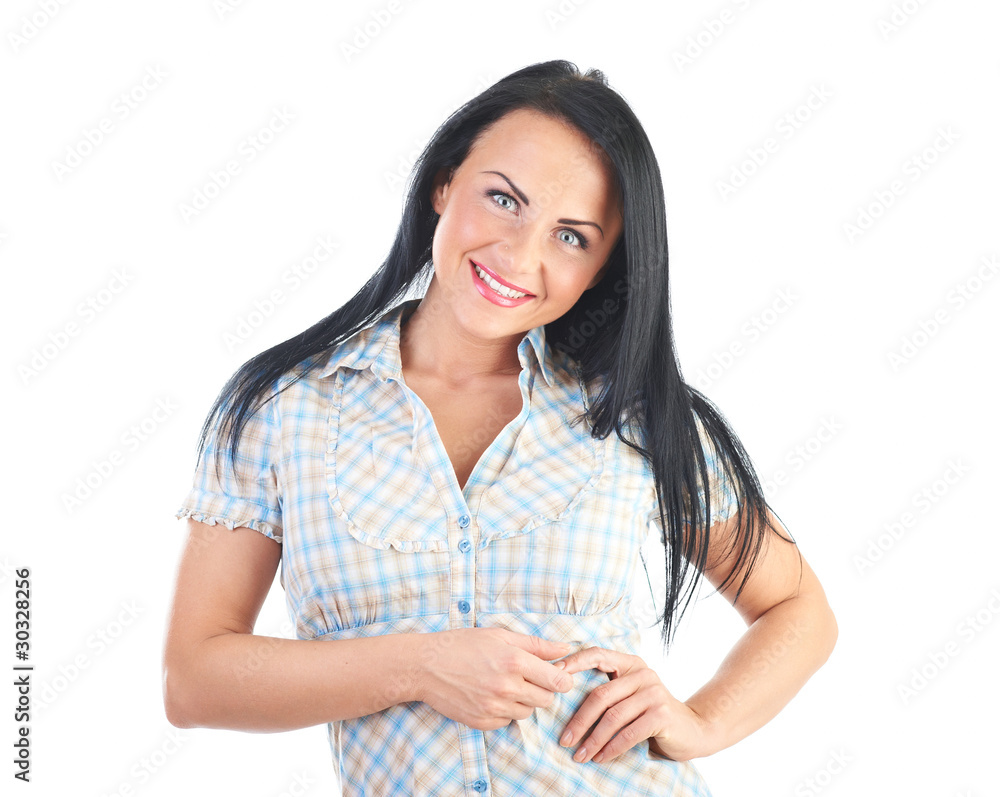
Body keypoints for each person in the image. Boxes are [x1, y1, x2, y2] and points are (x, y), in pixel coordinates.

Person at [162, 59, 838, 796]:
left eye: (572, 236)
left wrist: (700, 720)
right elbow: (195, 680)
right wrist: (421, 664)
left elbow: (797, 609)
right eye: (503, 199)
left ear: (602, 267)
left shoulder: (634, 416)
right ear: (443, 183)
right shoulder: (283, 408)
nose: (520, 255)